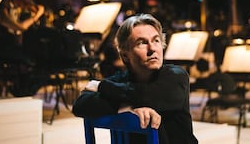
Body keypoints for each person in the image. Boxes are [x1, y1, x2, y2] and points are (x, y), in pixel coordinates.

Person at [72, 13, 198, 144]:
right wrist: (127, 107)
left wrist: (100, 86)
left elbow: (148, 96)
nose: (152, 49)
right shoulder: (121, 80)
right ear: (125, 55)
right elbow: (80, 105)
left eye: (156, 40)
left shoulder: (176, 76)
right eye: (142, 43)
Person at [0, 0, 46, 97]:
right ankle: (22, 93)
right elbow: (18, 27)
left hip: (14, 46)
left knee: (41, 61)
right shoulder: (2, 3)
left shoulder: (13, 2)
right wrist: (35, 17)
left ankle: (23, 92)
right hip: (5, 48)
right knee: (39, 62)